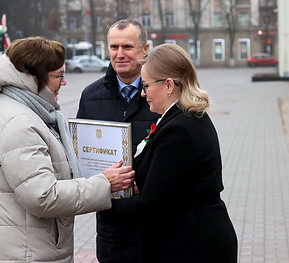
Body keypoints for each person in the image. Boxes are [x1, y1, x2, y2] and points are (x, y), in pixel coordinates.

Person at [0, 36, 135, 263]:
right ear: (34, 77)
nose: (64, 83)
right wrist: (105, 184)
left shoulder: (10, 105)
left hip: (10, 245)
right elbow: (42, 196)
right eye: (59, 76)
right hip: (21, 251)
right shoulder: (20, 122)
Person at [100, 43, 238, 262]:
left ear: (168, 85)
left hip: (191, 245)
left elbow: (152, 202)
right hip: (189, 238)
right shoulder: (183, 118)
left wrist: (104, 205)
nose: (143, 93)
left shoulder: (179, 129)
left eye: (145, 85)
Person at [76, 19, 160, 263]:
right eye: (114, 47)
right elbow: (81, 155)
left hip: (156, 224)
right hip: (112, 226)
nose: (120, 54)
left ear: (145, 50)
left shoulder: (163, 93)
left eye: (127, 47)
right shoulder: (91, 96)